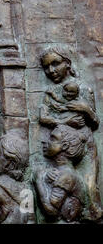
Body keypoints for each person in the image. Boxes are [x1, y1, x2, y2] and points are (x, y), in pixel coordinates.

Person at [39, 47, 101, 219]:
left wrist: (87, 110)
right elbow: (43, 118)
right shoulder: (49, 93)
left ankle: (93, 214)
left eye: (55, 64)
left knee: (90, 184)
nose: (51, 70)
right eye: (46, 67)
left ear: (67, 63)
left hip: (85, 143)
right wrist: (64, 122)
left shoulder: (83, 89)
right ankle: (66, 212)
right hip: (59, 146)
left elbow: (95, 123)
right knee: (58, 181)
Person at [34, 125, 87, 223]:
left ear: (64, 146)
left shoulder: (67, 175)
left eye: (52, 139)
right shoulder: (60, 171)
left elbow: (51, 210)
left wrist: (38, 180)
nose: (45, 141)